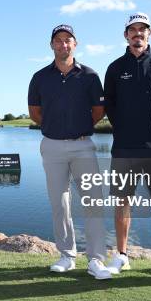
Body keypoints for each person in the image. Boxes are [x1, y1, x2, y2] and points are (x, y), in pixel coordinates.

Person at [28, 24, 112, 280]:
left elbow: (99, 111)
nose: (63, 44)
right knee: (59, 203)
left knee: (93, 201)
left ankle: (96, 259)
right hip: (52, 146)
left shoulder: (89, 75)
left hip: (83, 145)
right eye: (58, 40)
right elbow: (35, 112)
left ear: (75, 44)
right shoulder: (40, 77)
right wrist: (57, 127)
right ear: (52, 44)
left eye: (68, 40)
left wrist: (79, 127)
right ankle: (67, 256)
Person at [103, 12, 151, 276]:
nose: (138, 33)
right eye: (133, 30)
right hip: (125, 147)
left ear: (149, 34)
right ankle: (122, 255)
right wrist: (126, 128)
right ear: (125, 35)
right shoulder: (115, 68)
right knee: (122, 202)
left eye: (143, 29)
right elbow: (110, 106)